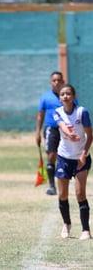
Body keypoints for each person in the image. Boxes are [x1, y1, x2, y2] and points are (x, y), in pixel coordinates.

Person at [53, 84, 92, 240]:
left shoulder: (82, 112)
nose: (65, 96)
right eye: (63, 94)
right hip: (63, 158)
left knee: (80, 193)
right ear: (60, 97)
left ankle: (85, 230)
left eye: (68, 94)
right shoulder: (57, 112)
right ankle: (67, 224)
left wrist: (84, 154)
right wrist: (69, 133)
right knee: (62, 194)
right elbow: (62, 125)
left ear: (73, 96)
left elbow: (90, 135)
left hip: (80, 158)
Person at [35, 71, 65, 195]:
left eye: (59, 80)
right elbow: (40, 115)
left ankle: (66, 183)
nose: (56, 82)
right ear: (51, 82)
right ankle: (52, 186)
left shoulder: (67, 96)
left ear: (63, 81)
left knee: (65, 157)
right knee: (51, 156)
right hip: (51, 129)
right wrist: (37, 132)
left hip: (65, 130)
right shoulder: (45, 97)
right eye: (54, 80)